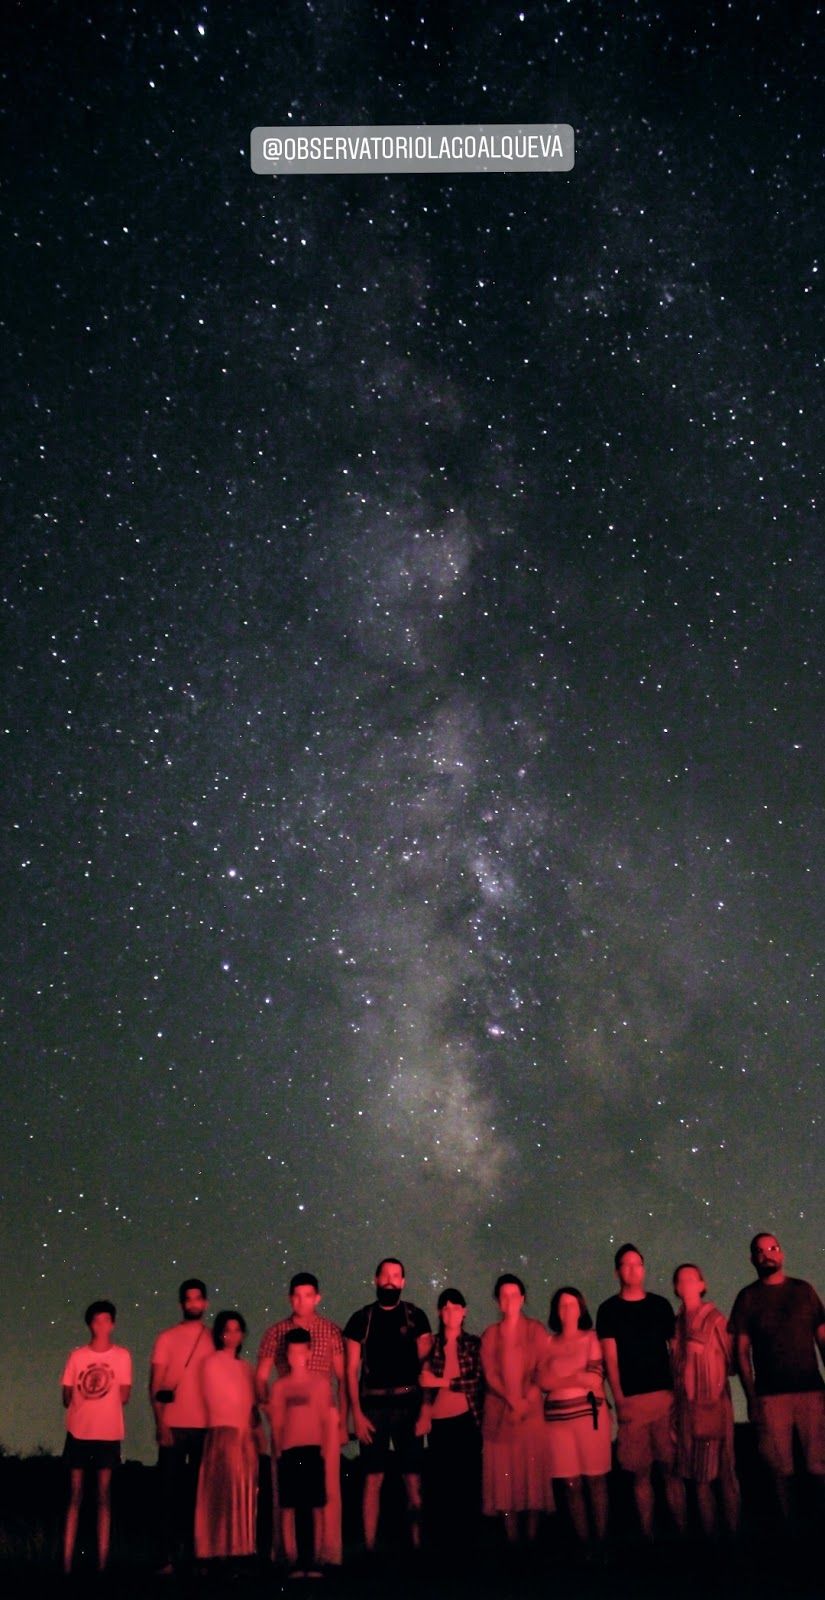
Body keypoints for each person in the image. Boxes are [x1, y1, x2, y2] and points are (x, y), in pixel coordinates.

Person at [729, 1232, 825, 1528]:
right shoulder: (747, 1298)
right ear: (753, 1259)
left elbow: (822, 1338)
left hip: (811, 1390)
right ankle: (790, 1529)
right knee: (780, 1470)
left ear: (781, 1253)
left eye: (772, 1248)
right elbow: (741, 1352)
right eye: (760, 1250)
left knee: (819, 1465)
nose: (767, 1254)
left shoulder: (803, 1290)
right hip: (770, 1395)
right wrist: (751, 1397)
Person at [596, 1243, 686, 1541]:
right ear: (617, 1271)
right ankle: (648, 1536)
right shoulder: (608, 1310)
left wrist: (677, 1394)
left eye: (637, 1264)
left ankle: (682, 1534)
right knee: (641, 1473)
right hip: (632, 1403)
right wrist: (619, 1398)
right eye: (626, 1264)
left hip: (664, 1398)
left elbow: (675, 1352)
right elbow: (610, 1359)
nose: (633, 1269)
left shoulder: (660, 1306)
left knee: (671, 1470)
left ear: (644, 1269)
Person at [257, 1271, 346, 1565]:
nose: (302, 1301)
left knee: (325, 1489)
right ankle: (288, 1554)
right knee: (287, 1490)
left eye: (308, 1295)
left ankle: (326, 1553)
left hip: (321, 1413)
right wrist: (269, 1409)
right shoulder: (276, 1332)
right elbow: (261, 1376)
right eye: (296, 1296)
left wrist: (342, 1420)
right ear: (290, 1298)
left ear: (317, 1298)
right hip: (289, 1415)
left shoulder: (330, 1331)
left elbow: (343, 1377)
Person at [344, 1256, 433, 1551]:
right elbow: (350, 1371)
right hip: (373, 1407)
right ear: (376, 1279)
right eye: (385, 1275)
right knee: (372, 1479)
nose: (390, 1281)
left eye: (396, 1276)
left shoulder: (416, 1316)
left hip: (409, 1405)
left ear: (403, 1282)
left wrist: (425, 1410)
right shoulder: (361, 1319)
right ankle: (370, 1548)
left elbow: (427, 1366)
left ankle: (418, 1546)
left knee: (413, 1479)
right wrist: (356, 1415)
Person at [480, 1273, 553, 1544]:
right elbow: (490, 1374)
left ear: (522, 1298)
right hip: (500, 1418)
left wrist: (526, 1401)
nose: (509, 1300)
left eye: (514, 1294)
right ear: (498, 1301)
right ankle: (512, 1542)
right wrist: (513, 1401)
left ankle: (531, 1541)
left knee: (531, 1479)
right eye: (504, 1295)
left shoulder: (536, 1330)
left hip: (530, 1417)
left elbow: (542, 1369)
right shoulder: (490, 1335)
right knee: (505, 1481)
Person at [537, 1286, 610, 1558]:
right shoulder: (547, 1343)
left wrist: (561, 1380)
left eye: (572, 1304)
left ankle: (602, 1544)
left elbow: (594, 1378)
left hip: (590, 1419)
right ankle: (585, 1545)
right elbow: (542, 1381)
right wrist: (575, 1378)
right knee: (571, 1485)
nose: (567, 1310)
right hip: (557, 1424)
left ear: (581, 1308)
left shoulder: (591, 1338)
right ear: (556, 1311)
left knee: (596, 1480)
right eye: (562, 1305)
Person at [61, 1299, 132, 1575]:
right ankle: (66, 1563)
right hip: (79, 1430)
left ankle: (102, 1564)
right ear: (90, 1324)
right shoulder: (77, 1356)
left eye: (106, 1320)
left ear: (112, 1324)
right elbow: (66, 1395)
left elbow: (124, 1395)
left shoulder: (122, 1356)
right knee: (75, 1496)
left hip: (108, 1432)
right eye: (97, 1320)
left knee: (104, 1496)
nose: (101, 1325)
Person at [671, 1264, 739, 1540]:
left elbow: (732, 1361)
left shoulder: (715, 1319)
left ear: (702, 1285)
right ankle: (711, 1541)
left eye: (692, 1278)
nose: (686, 1283)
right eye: (681, 1279)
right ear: (676, 1288)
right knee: (699, 1477)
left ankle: (734, 1538)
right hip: (686, 1411)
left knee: (725, 1472)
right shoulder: (676, 1325)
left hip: (712, 1408)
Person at [149, 1277, 212, 1573]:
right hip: (173, 1424)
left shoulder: (213, 1338)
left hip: (204, 1426)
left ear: (205, 1303)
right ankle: (167, 1556)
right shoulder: (167, 1338)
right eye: (189, 1299)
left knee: (200, 1495)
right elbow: (155, 1384)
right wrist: (160, 1423)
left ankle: (198, 1554)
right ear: (182, 1303)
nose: (194, 1303)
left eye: (198, 1298)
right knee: (168, 1494)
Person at [194, 1310, 261, 1566]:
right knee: (221, 1495)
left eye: (237, 1330)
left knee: (243, 1494)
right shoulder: (211, 1363)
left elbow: (252, 1404)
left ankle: (241, 1549)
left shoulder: (246, 1368)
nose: (232, 1335)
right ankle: (215, 1550)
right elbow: (216, 1398)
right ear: (220, 1334)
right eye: (227, 1330)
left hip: (244, 1436)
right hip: (223, 1432)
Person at [419, 1287, 483, 1554]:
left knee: (467, 1484)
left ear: (464, 1312)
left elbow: (475, 1382)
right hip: (438, 1423)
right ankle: (445, 1547)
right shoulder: (431, 1345)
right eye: (445, 1308)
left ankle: (469, 1544)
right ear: (439, 1312)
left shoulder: (473, 1344)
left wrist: (441, 1382)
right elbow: (423, 1382)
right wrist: (425, 1408)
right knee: (442, 1487)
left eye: (456, 1308)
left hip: (466, 1420)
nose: (451, 1313)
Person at [270, 1327, 333, 1577]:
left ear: (309, 1352)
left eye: (300, 1351)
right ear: (287, 1354)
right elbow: (277, 1422)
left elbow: (324, 1419)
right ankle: (294, 1561)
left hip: (312, 1449)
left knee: (314, 1505)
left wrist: (325, 1449)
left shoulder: (320, 1384)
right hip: (289, 1450)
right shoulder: (280, 1387)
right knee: (291, 1506)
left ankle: (315, 1560)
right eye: (292, 1352)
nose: (296, 1356)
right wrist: (278, 1450)